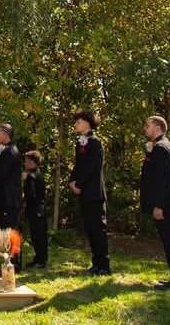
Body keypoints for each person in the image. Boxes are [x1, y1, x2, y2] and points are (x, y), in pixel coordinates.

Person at [139, 115, 170, 290]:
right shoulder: (161, 146)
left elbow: (164, 180)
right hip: (167, 204)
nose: (145, 128)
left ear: (158, 128)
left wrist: (159, 205)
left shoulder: (162, 148)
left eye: (148, 125)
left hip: (166, 205)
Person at [69, 110, 110, 275]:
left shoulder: (95, 143)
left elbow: (93, 168)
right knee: (90, 230)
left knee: (98, 229)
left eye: (78, 121)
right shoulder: (80, 143)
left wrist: (79, 183)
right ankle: (96, 263)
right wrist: (72, 181)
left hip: (94, 193)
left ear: (87, 123)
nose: (75, 125)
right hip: (84, 192)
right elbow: (78, 165)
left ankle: (104, 266)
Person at [0, 123, 22, 272]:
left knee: (9, 232)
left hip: (9, 200)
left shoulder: (10, 152)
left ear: (6, 134)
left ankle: (13, 264)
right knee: (6, 233)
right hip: (5, 199)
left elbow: (0, 175)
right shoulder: (6, 152)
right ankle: (9, 263)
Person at [22, 150, 48, 268]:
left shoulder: (35, 175)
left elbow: (32, 194)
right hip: (33, 209)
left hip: (37, 210)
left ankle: (42, 260)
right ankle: (38, 258)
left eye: (27, 161)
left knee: (39, 236)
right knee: (34, 235)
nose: (25, 163)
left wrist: (27, 179)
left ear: (33, 162)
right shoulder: (31, 175)